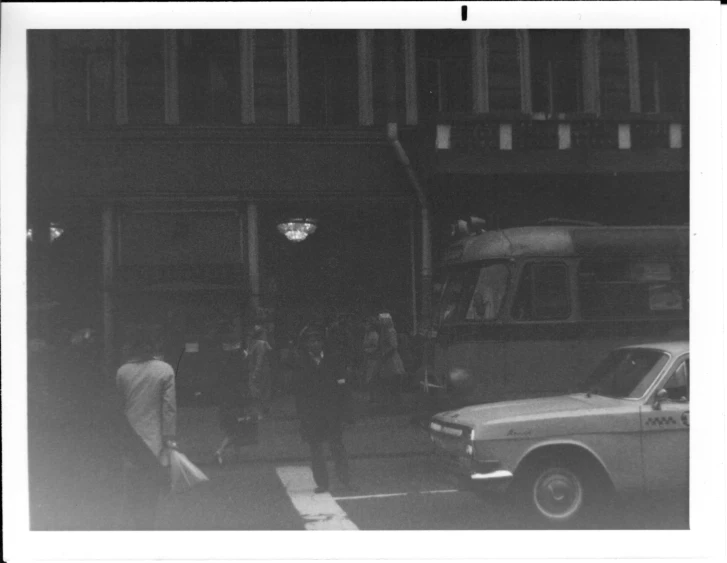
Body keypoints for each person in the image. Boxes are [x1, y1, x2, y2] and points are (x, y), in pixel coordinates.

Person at [116, 325, 177, 530]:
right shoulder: (165, 370)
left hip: (131, 436)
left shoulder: (122, 372)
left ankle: (138, 525)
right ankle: (148, 525)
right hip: (155, 438)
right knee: (151, 487)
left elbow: (120, 404)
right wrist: (170, 438)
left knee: (133, 486)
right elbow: (169, 408)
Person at [290, 325, 354, 494]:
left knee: (337, 447)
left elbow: (343, 386)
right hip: (312, 414)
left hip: (332, 412)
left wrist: (346, 411)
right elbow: (299, 392)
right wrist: (302, 415)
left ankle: (345, 480)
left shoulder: (333, 360)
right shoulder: (301, 363)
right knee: (316, 449)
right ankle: (322, 483)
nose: (315, 344)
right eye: (311, 341)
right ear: (306, 345)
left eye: (318, 341)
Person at [214, 335, 258, 465]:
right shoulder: (240, 363)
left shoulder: (224, 362)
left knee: (234, 426)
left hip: (227, 399)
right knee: (237, 428)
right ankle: (220, 451)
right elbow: (244, 379)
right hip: (238, 399)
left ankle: (236, 454)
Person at [376, 312, 406, 411]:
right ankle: (389, 403)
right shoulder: (383, 332)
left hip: (392, 359)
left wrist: (386, 356)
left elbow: (393, 346)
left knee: (394, 381)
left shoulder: (390, 331)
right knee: (386, 382)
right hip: (385, 358)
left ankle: (398, 404)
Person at [247, 325, 273, 418]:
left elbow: (260, 359)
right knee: (257, 390)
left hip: (261, 369)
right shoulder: (252, 343)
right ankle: (261, 410)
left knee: (262, 389)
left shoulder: (260, 344)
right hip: (255, 369)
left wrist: (256, 372)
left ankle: (262, 411)